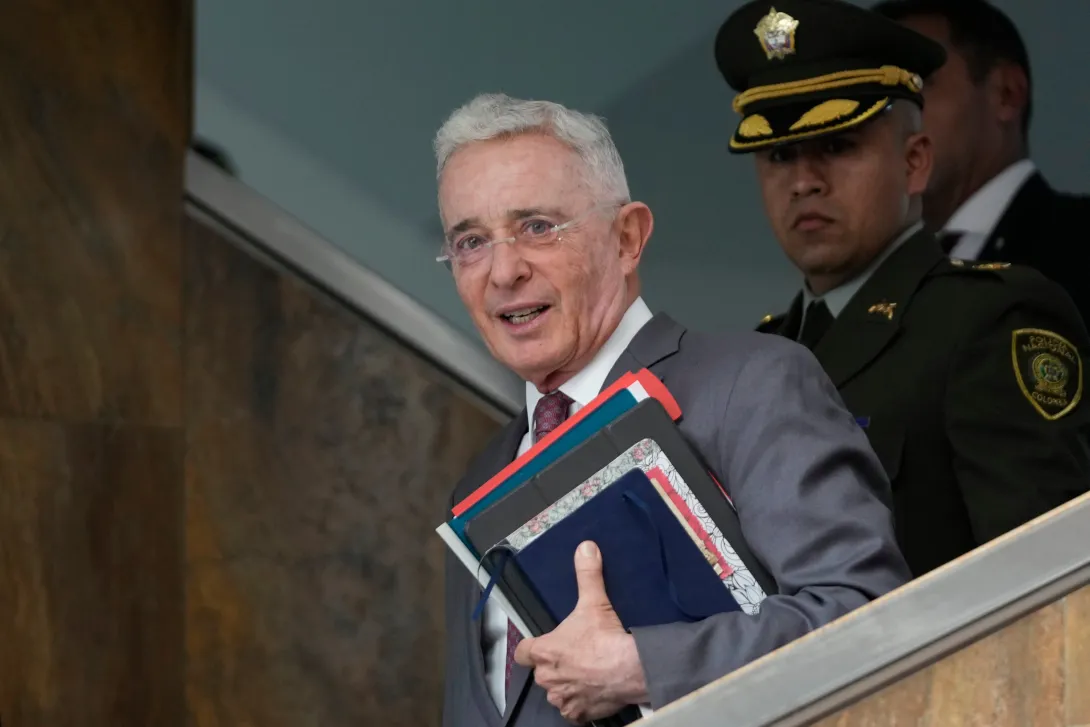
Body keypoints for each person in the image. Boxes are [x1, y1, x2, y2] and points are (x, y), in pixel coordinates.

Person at [433, 92, 911, 727]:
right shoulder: (479, 479)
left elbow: (866, 615)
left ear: (627, 238)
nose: (503, 271)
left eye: (538, 227)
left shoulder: (754, 385)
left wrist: (641, 668)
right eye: (470, 241)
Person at [715, 0, 1090, 577]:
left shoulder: (988, 320)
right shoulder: (763, 357)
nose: (803, 181)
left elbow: (1042, 585)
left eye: (838, 147)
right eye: (779, 155)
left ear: (915, 163)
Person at [871, 0, 1090, 324]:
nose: (882, 116)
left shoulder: (1079, 243)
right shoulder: (876, 276)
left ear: (1007, 94)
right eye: (872, 97)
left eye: (913, 85)